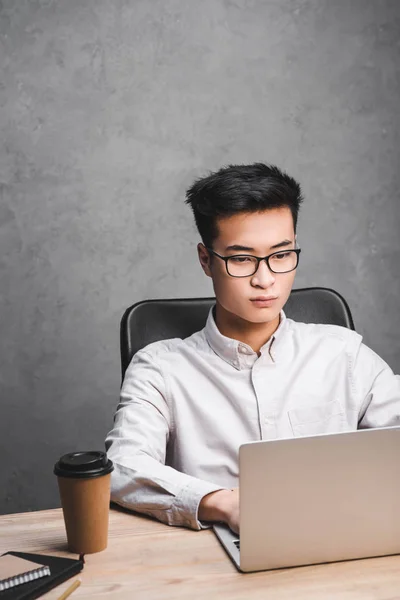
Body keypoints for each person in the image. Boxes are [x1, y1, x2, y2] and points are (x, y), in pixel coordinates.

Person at [105, 163, 400, 534]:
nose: (265, 280)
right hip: (216, 555)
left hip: (339, 540)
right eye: (242, 259)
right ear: (206, 260)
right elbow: (123, 466)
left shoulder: (344, 354)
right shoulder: (159, 368)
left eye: (281, 255)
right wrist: (225, 503)